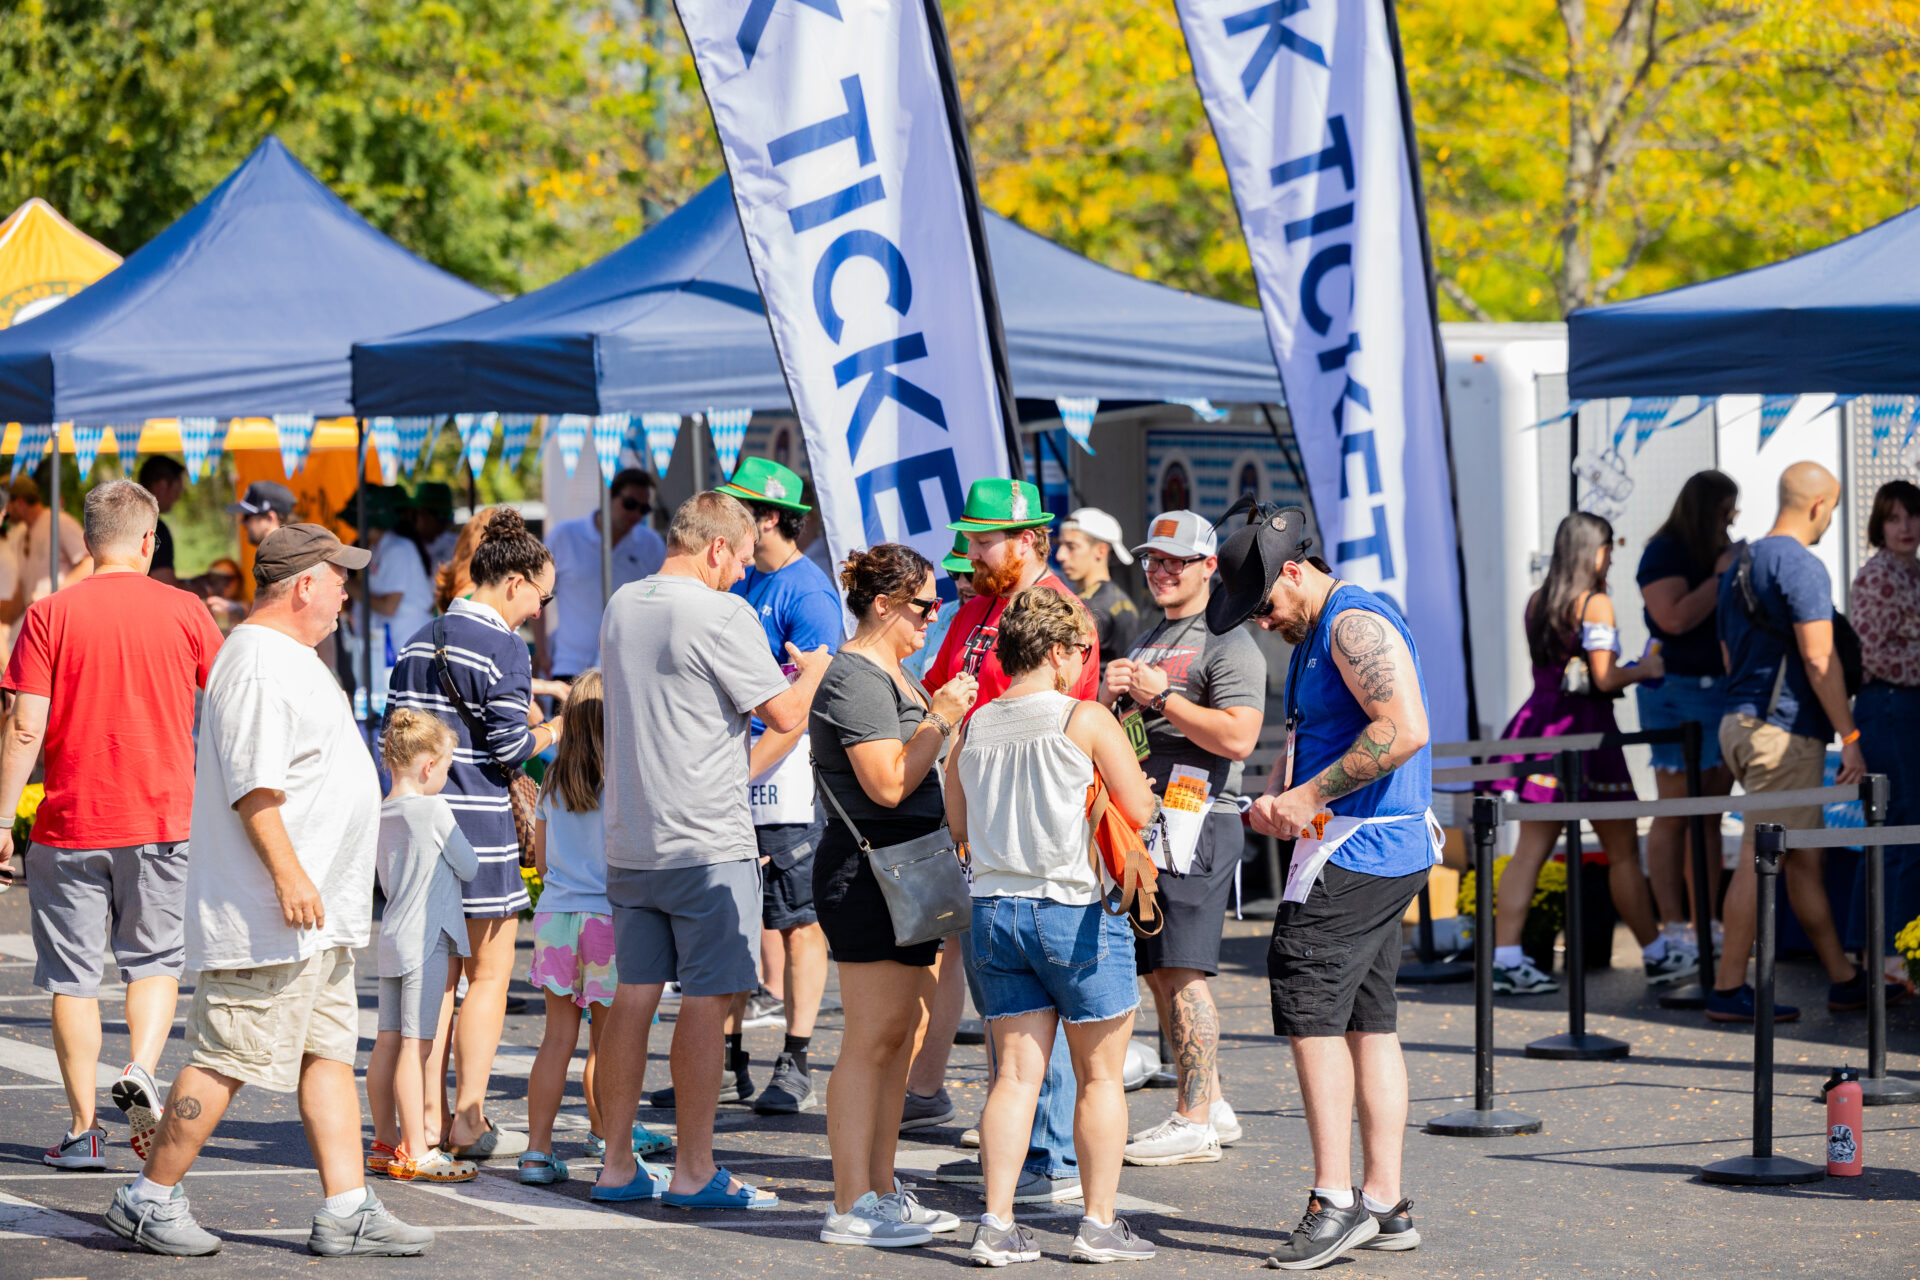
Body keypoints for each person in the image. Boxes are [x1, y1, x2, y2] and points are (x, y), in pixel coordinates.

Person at [104, 524, 433, 1258]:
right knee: (227, 1057)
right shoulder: (257, 663)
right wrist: (288, 876)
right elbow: (256, 789)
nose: (349, 589)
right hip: (273, 914)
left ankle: (347, 1207)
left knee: (323, 1057)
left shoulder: (288, 657)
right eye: (339, 576)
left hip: (314, 917)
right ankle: (148, 1199)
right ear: (303, 585)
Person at [591, 490, 830, 1209]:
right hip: (705, 840)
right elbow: (785, 713)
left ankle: (616, 1164)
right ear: (718, 548)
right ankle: (695, 1171)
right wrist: (815, 666)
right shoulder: (720, 611)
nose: (743, 578)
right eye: (742, 562)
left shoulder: (622, 602)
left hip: (632, 837)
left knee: (633, 1001)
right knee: (706, 1001)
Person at [1222, 503, 1436, 1268]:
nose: (1262, 620)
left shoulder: (1350, 622)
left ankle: (1337, 1199)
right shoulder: (1320, 630)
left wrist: (1308, 799)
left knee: (1306, 998)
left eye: (1264, 604)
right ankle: (1384, 1200)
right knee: (1367, 1020)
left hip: (1365, 848)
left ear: (1292, 570)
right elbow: (1333, 732)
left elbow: (1402, 727)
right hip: (1363, 845)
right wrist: (1285, 794)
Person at [0, 480, 222, 1171]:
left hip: (71, 822)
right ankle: (144, 1069)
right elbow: (228, 706)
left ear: (88, 542)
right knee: (155, 962)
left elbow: (24, 724)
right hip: (163, 817)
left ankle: (83, 1131)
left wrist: (2, 820)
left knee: (73, 979)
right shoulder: (187, 611)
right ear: (149, 540)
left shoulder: (49, 615)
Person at [947, 585, 1158, 1266]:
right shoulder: (1085, 717)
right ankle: (1097, 1225)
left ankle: (996, 1223)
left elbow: (959, 826)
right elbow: (1139, 809)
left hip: (995, 911)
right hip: (1074, 911)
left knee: (1013, 1079)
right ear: (1061, 651)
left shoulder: (972, 726)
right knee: (1099, 1077)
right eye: (1081, 652)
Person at [927, 480, 1097, 1207]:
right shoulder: (975, 607)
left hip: (1043, 831)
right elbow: (936, 690)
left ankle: (1049, 1154)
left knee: (1044, 999)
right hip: (983, 830)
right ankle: (1021, 1143)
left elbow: (1075, 718)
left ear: (1026, 539)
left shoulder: (1062, 615)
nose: (969, 552)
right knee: (1008, 1007)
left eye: (981, 540)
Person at [808, 544, 975, 1247]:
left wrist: (948, 724)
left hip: (907, 868)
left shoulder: (893, 675)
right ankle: (850, 1204)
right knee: (870, 1040)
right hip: (867, 873)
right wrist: (938, 716)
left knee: (897, 1037)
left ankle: (880, 1189)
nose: (933, 618)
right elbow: (885, 783)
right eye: (923, 606)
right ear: (883, 604)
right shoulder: (854, 676)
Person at [387, 510, 563, 1159]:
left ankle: (424, 1115)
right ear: (514, 583)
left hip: (418, 830)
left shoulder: (417, 639)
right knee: (488, 975)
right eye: (540, 598)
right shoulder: (502, 647)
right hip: (481, 833)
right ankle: (467, 1117)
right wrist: (557, 731)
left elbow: (394, 735)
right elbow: (511, 747)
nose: (539, 613)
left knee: (438, 978)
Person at [1101, 511, 1265, 1167]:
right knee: (1164, 971)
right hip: (1149, 822)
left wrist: (1161, 698)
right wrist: (1118, 701)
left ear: (1208, 567)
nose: (1160, 571)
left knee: (1185, 972)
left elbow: (1238, 738)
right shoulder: (1150, 636)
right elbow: (1136, 732)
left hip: (1199, 818)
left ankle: (1192, 1116)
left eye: (1175, 560)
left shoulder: (1230, 643)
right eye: (1152, 560)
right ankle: (1214, 1106)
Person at [1485, 513, 1685, 997]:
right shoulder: (1595, 603)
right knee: (1620, 853)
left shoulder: (1538, 601)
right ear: (1592, 552)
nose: (1612, 556)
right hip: (1587, 732)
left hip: (1541, 726)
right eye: (1609, 547)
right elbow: (1604, 678)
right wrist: (1646, 667)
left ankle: (1506, 956)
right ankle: (1657, 954)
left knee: (1529, 849)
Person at [1713, 460, 1869, 1022]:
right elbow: (1819, 656)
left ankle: (1844, 979)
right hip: (1782, 732)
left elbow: (1729, 653)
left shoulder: (1739, 563)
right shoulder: (1801, 564)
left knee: (1800, 859)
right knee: (1762, 856)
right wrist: (1849, 734)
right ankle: (1729, 989)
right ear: (1820, 506)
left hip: (1739, 721)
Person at [718, 457, 843, 1115]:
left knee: (798, 923)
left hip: (789, 781)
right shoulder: (743, 583)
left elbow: (805, 703)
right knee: (736, 917)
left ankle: (795, 1058)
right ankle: (728, 1059)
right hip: (740, 770)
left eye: (739, 507)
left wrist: (740, 775)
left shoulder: (808, 592)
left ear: (767, 517)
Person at [519, 671, 671, 1183]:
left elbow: (539, 860)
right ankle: (613, 1147)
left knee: (556, 1039)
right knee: (609, 1045)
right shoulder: (625, 779)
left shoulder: (553, 779)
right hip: (611, 918)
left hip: (557, 917)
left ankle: (537, 1152)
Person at [365, 710, 478, 1184]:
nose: (446, 777)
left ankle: (386, 1139)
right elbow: (469, 866)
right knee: (419, 1046)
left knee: (388, 1041)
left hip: (391, 934)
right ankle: (416, 1148)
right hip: (428, 939)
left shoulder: (380, 810)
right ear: (429, 765)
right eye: (447, 767)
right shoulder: (433, 810)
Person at [1636, 470, 1742, 949]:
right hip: (1676, 689)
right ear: (1705, 510)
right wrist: (1720, 576)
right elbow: (1673, 618)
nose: (1732, 519)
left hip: (1720, 687)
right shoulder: (1666, 551)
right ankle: (1675, 926)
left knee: (1709, 814)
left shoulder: (1717, 549)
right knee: (1675, 811)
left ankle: (1708, 925)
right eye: (1725, 510)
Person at [1849, 480, 1920, 988]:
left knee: (1894, 826)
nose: (1906, 527)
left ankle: (1875, 948)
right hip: (1889, 703)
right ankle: (1891, 952)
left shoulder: (1913, 571)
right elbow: (1870, 655)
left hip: (1905, 705)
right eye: (1894, 518)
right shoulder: (1877, 575)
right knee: (1901, 825)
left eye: (1913, 517)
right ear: (1880, 523)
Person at [542, 469, 665, 681]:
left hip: (627, 667)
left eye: (644, 509)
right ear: (609, 497)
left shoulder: (651, 544)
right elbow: (538, 593)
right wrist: (542, 653)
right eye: (629, 504)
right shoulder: (564, 536)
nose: (636, 515)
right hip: (570, 664)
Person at [2, 474, 91, 629]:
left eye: (4, 505)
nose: (3, 512)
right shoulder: (23, 535)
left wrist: (54, 594)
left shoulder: (59, 521)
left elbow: (90, 563)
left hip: (65, 623)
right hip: (43, 626)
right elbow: (22, 592)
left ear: (20, 502)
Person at [1057, 507, 1140, 667]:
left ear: (1101, 551)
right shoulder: (1119, 599)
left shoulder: (1089, 607)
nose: (1060, 555)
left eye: (1071, 546)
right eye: (1060, 545)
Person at [903, 534, 975, 681]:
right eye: (954, 573)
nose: (961, 584)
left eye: (971, 575)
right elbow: (911, 681)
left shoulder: (1019, 622)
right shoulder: (939, 616)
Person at [137, 456, 187, 587]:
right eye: (177, 490)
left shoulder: (124, 520)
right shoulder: (155, 528)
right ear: (162, 486)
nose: (177, 498)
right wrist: (204, 588)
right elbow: (165, 584)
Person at [227, 479, 296, 547]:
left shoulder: (279, 556)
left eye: (247, 516)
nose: (242, 521)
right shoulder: (293, 551)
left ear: (270, 519)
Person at [413, 481, 460, 571]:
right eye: (441, 521)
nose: (443, 527)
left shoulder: (455, 545)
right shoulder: (406, 547)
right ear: (422, 514)